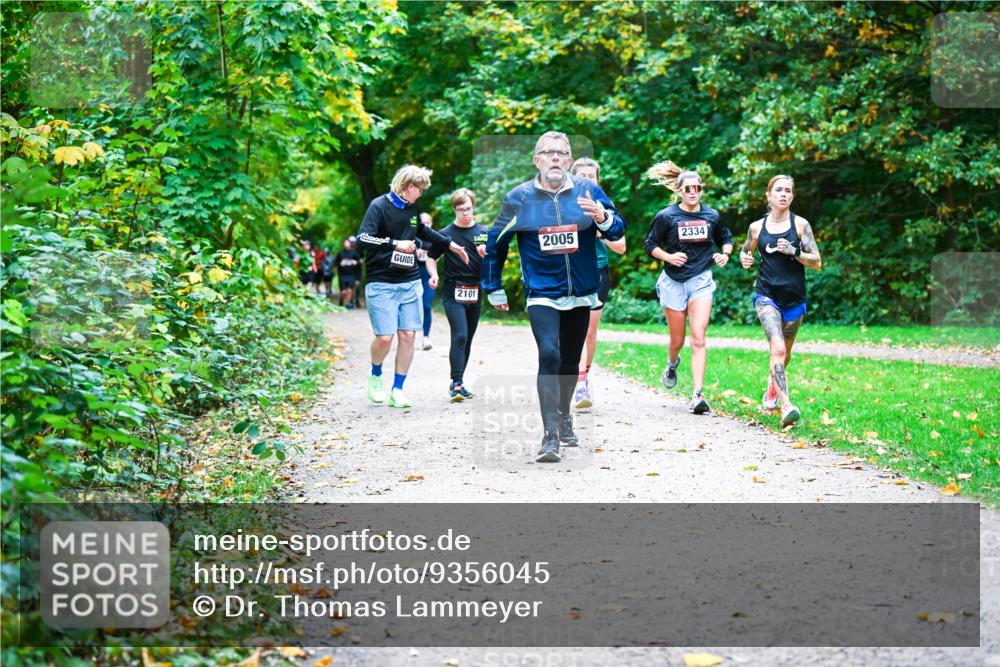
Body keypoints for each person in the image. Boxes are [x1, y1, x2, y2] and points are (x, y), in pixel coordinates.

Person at [483, 132, 626, 463]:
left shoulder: (588, 190)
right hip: (542, 292)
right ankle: (550, 435)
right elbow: (495, 243)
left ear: (570, 161)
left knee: (569, 362)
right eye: (548, 153)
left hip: (580, 292)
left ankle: (564, 416)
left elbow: (618, 230)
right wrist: (493, 286)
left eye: (562, 153)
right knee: (549, 353)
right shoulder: (520, 198)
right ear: (537, 160)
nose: (556, 158)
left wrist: (602, 218)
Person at [356, 165, 470, 408]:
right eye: (420, 190)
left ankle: (397, 389)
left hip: (408, 281)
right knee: (385, 338)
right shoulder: (378, 206)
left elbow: (423, 231)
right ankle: (376, 373)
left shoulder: (411, 209)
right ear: (409, 187)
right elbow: (363, 239)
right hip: (381, 282)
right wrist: (394, 244)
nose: (422, 194)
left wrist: (451, 245)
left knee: (408, 335)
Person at [644, 161, 733, 415]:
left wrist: (725, 254)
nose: (693, 192)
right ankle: (672, 364)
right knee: (677, 340)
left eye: (698, 188)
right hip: (673, 282)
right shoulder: (666, 216)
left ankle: (697, 395)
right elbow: (649, 244)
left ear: (701, 190)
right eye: (688, 188)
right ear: (679, 191)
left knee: (698, 337)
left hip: (701, 280)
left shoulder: (711, 216)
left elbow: (725, 238)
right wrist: (668, 257)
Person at [739, 174, 823, 427]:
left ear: (792, 196)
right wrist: (745, 258)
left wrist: (794, 251)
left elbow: (817, 262)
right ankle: (786, 405)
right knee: (777, 349)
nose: (783, 194)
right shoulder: (757, 227)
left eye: (788, 190)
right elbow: (746, 249)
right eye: (779, 190)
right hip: (766, 295)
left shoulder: (800, 225)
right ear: (769, 195)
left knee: (785, 353)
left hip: (794, 298)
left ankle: (771, 390)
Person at [568, 157, 627, 410]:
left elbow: (622, 247)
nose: (586, 180)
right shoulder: (563, 205)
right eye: (581, 175)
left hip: (597, 272)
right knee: (569, 332)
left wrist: (599, 231)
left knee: (589, 331)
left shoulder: (605, 209)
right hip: (569, 275)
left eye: (591, 176)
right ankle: (573, 375)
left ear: (597, 180)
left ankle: (582, 379)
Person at [433, 188, 488, 402]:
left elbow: (494, 262)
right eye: (461, 209)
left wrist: (487, 254)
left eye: (469, 209)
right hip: (453, 290)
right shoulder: (445, 234)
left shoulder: (484, 232)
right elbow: (431, 257)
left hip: (475, 290)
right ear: (454, 210)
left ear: (473, 207)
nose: (465, 213)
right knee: (460, 335)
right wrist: (433, 274)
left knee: (468, 339)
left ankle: (459, 381)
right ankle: (456, 383)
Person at [416, 213, 437, 350]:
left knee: (427, 305)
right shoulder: (411, 237)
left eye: (428, 222)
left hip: (429, 276)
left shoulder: (435, 239)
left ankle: (426, 337)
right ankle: (406, 336)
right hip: (412, 275)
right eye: (423, 222)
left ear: (431, 224)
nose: (425, 224)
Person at [334, 237, 361, 308]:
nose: (346, 244)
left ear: (350, 244)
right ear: (343, 244)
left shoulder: (354, 253)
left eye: (347, 242)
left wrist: (356, 262)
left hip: (351, 275)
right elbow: (335, 263)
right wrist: (340, 263)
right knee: (343, 292)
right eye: (345, 243)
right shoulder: (340, 254)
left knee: (349, 290)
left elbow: (359, 263)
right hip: (342, 275)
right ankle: (342, 301)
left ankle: (347, 304)